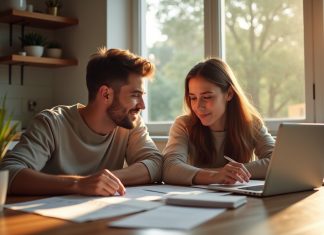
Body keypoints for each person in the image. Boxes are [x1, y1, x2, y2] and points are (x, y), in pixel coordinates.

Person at [0, 48, 163, 196]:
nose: (142, 105)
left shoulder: (130, 124)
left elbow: (155, 163)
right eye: (135, 96)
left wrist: (104, 180)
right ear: (106, 94)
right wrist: (78, 183)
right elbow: (9, 171)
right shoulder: (51, 123)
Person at [163, 57, 275, 186]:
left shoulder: (251, 123)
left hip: (243, 200)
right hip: (198, 200)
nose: (198, 107)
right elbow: (169, 168)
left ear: (229, 94)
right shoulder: (183, 125)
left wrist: (227, 172)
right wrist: (215, 176)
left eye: (207, 97)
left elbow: (278, 161)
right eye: (193, 98)